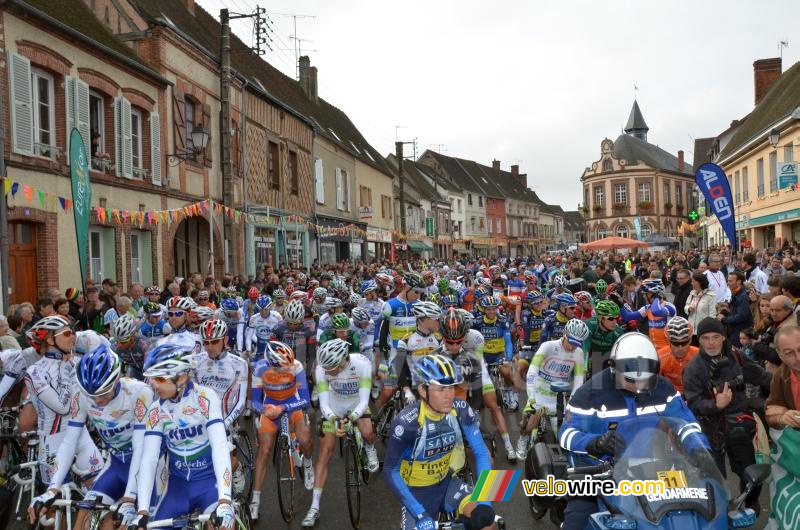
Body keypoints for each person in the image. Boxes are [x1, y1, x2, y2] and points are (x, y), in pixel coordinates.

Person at [558, 332, 710, 529]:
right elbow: (566, 433)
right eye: (631, 380)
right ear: (614, 369)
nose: (639, 386)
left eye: (645, 380)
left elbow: (687, 424)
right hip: (599, 473)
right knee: (577, 522)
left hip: (654, 470)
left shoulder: (663, 388)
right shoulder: (590, 392)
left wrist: (699, 448)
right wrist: (595, 442)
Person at [29, 345, 154, 529]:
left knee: (126, 524)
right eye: (91, 395)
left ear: (116, 380)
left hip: (146, 467)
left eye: (103, 394)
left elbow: (140, 449)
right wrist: (52, 489)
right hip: (117, 464)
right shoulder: (80, 395)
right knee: (85, 512)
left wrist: (129, 498)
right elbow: (69, 442)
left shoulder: (139, 392)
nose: (97, 401)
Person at [127, 343, 235, 530]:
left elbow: (219, 446)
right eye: (152, 379)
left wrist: (225, 499)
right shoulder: (156, 409)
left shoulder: (205, 397)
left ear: (182, 377)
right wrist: (142, 511)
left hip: (210, 483)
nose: (153, 385)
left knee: (220, 527)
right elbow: (149, 459)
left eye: (159, 379)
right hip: (177, 488)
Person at [383, 354, 497, 530]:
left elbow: (481, 453)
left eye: (451, 387)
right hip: (415, 493)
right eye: (441, 389)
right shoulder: (407, 423)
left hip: (447, 484)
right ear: (422, 390)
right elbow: (391, 471)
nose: (449, 395)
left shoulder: (460, 409)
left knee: (489, 525)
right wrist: (419, 514)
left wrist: (484, 503)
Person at [681, 317, 771, 512]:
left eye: (715, 337)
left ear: (723, 337)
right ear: (699, 339)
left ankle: (750, 502)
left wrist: (786, 385)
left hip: (739, 424)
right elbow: (694, 404)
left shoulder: (736, 356)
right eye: (705, 338)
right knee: (714, 479)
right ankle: (719, 513)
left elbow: (763, 377)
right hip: (709, 428)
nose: (711, 342)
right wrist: (716, 404)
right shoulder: (693, 368)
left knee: (750, 473)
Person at [301, 339, 379, 528]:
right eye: (325, 368)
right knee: (325, 453)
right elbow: (324, 403)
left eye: (331, 368)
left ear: (344, 360)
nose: (326, 372)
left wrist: (352, 417)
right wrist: (335, 420)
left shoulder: (362, 364)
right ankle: (314, 506)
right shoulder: (321, 369)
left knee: (368, 433)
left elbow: (363, 401)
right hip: (333, 408)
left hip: (356, 405)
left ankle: (369, 447)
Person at [23, 316, 104, 486]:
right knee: (54, 503)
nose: (73, 337)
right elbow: (62, 407)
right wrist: (69, 371)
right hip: (53, 440)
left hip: (81, 435)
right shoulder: (35, 372)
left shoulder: (76, 362)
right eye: (67, 333)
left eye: (73, 332)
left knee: (100, 493)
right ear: (50, 339)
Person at [250, 341, 314, 519]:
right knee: (264, 451)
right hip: (270, 408)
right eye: (282, 368)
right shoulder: (260, 368)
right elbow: (254, 400)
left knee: (305, 440)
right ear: (271, 363)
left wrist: (283, 408)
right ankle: (255, 501)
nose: (287, 370)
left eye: (288, 366)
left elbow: (306, 399)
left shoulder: (296, 366)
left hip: (292, 406)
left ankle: (307, 463)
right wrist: (265, 410)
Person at [518, 319, 590, 458]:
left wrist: (572, 403)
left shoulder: (579, 353)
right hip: (538, 393)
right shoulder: (548, 346)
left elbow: (578, 381)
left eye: (577, 344)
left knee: (565, 436)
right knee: (529, 422)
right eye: (571, 342)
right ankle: (523, 439)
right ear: (564, 334)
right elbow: (532, 372)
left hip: (557, 398)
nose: (572, 347)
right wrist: (531, 398)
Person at [377, 272, 422, 409]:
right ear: (406, 288)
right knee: (388, 391)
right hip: (395, 353)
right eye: (416, 291)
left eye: (421, 292)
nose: (418, 295)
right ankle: (375, 418)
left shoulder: (419, 305)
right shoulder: (390, 305)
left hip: (414, 354)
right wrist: (383, 359)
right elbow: (382, 334)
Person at [657, 316, 699, 396]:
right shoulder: (659, 357)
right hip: (670, 395)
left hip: (694, 394)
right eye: (676, 343)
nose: (680, 348)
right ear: (669, 341)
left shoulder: (699, 355)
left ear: (690, 340)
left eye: (684, 343)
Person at [582, 300, 625, 376]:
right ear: (600, 318)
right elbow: (585, 347)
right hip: (595, 358)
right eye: (611, 319)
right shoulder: (590, 324)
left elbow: (620, 357)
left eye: (616, 318)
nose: (614, 322)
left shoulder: (618, 332)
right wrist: (584, 368)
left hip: (610, 360)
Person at [720, 271, 753, 348]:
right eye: (728, 280)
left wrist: (724, 319)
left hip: (740, 332)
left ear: (739, 282)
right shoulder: (736, 292)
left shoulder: (743, 296)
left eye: (730, 281)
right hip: (735, 330)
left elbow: (742, 316)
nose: (728, 283)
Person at [685, 272, 717, 346]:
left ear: (699, 282)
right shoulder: (692, 294)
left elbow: (712, 315)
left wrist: (708, 329)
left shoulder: (710, 296)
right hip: (691, 330)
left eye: (693, 281)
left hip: (703, 331)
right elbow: (686, 306)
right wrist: (688, 308)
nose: (691, 283)